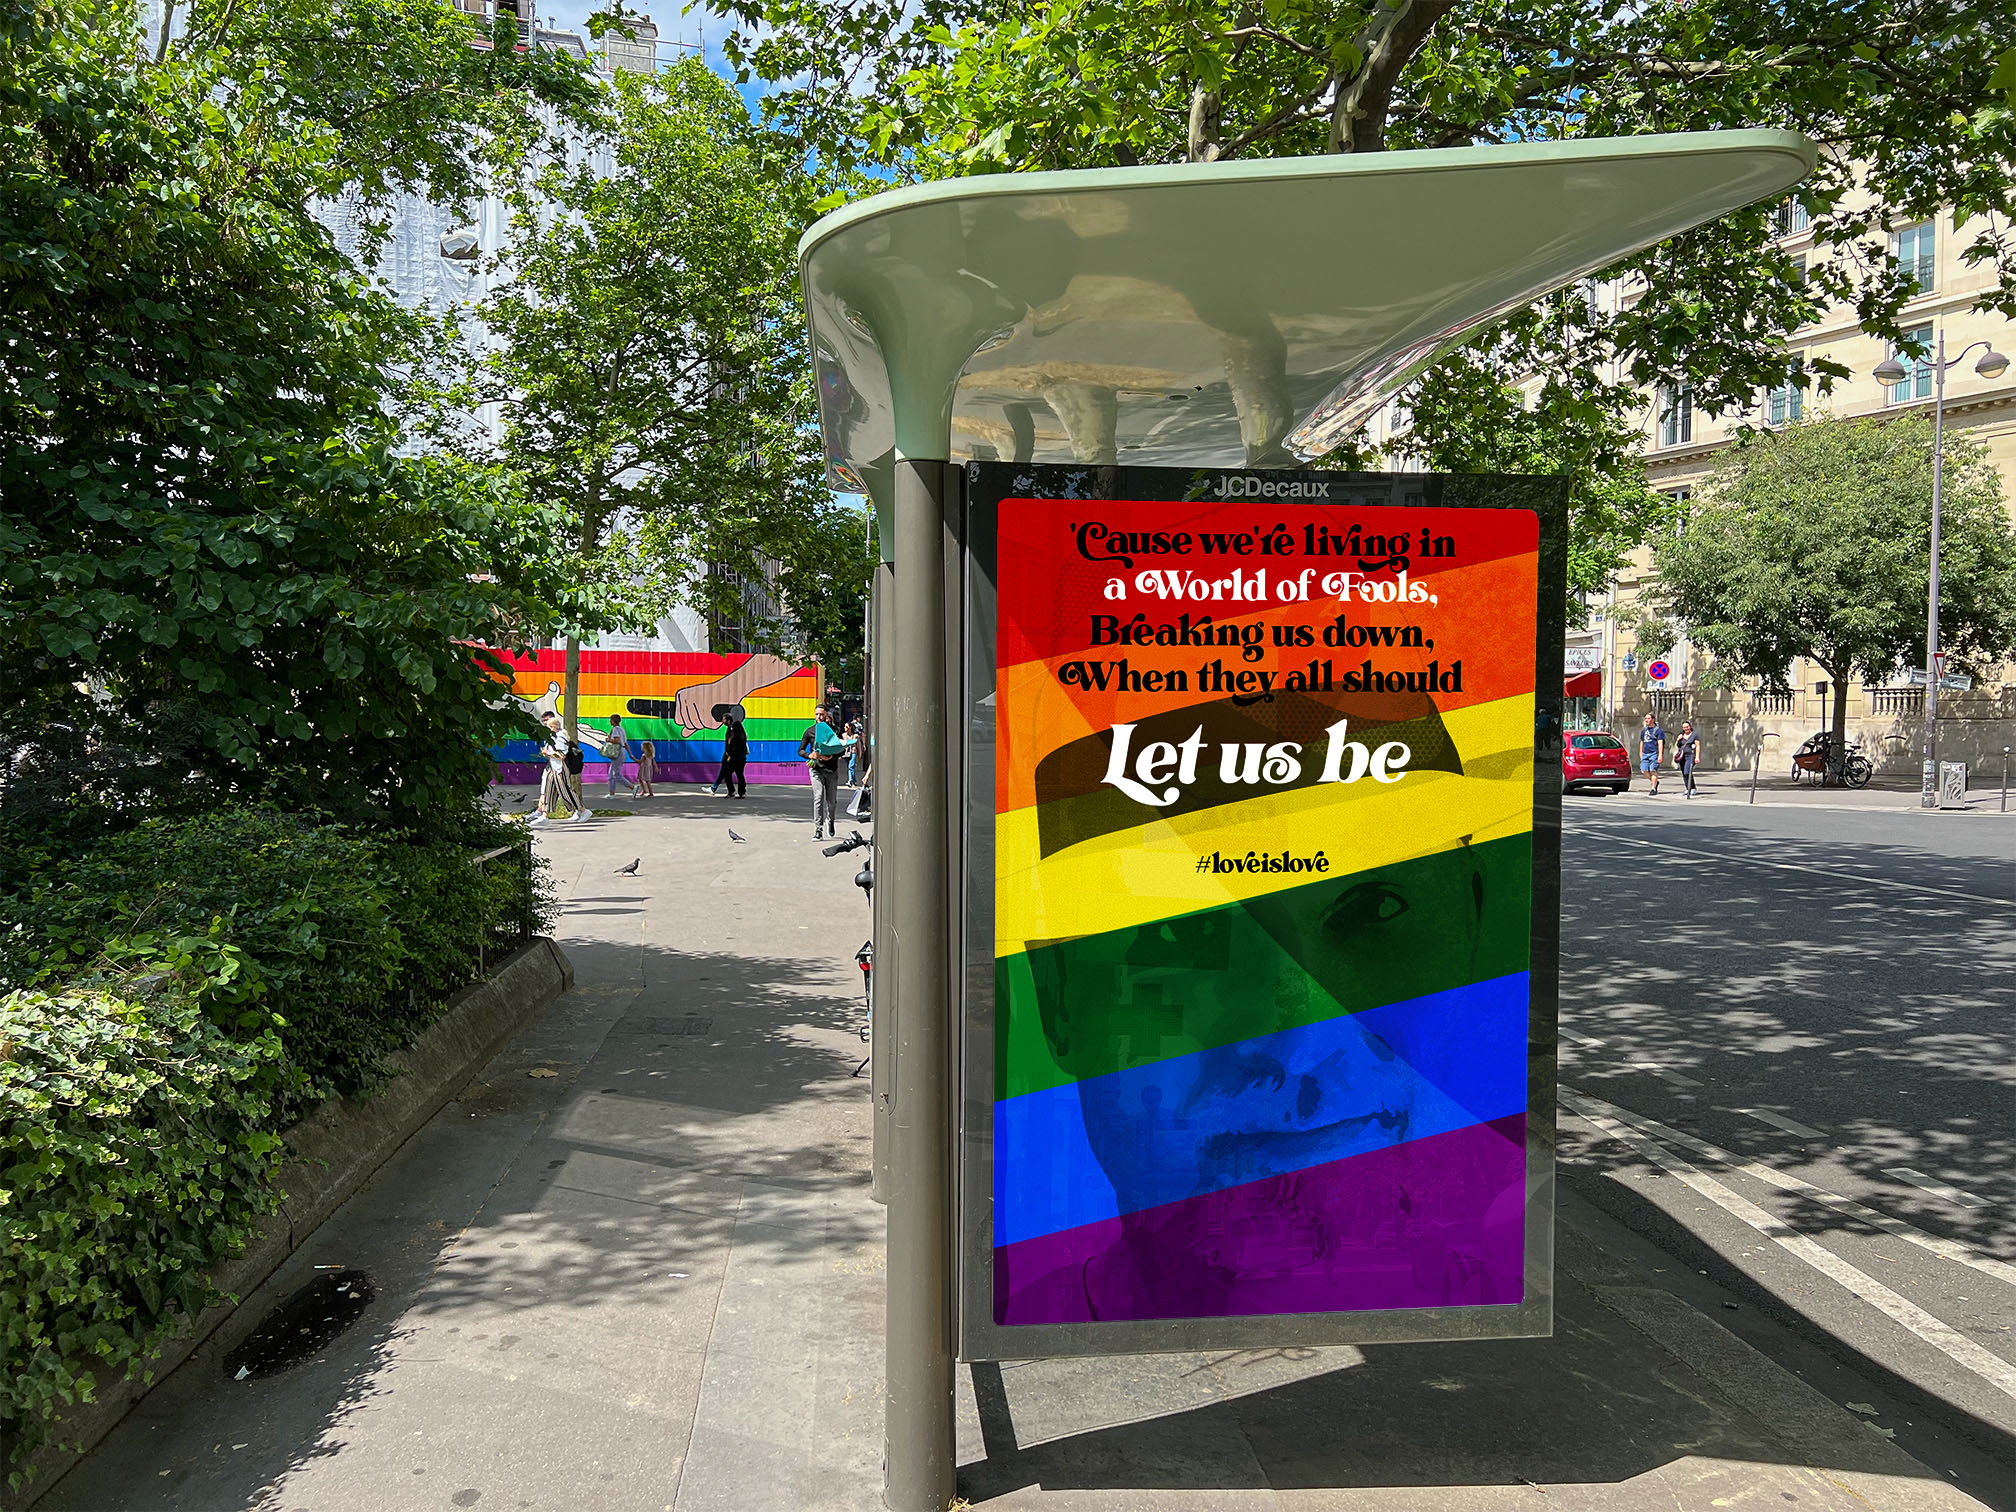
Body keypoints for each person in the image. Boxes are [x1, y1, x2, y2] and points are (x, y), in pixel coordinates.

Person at [805, 704, 855, 839]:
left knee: (831, 802)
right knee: (818, 797)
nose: (819, 717)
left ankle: (830, 820)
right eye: (816, 714)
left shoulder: (834, 731)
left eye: (821, 714)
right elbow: (801, 750)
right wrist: (810, 756)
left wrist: (832, 756)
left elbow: (842, 749)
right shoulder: (810, 731)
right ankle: (818, 829)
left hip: (831, 770)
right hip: (816, 770)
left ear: (827, 715)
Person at [530, 713, 574, 826]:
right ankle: (544, 815)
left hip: (559, 768)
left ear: (554, 726)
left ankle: (581, 810)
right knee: (548, 791)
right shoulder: (552, 737)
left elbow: (561, 755)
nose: (547, 728)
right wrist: (546, 753)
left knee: (566, 791)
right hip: (552, 767)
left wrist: (548, 753)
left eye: (549, 726)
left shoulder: (560, 737)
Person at [599, 713, 637, 798]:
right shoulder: (622, 729)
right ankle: (614, 792)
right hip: (622, 751)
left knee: (614, 774)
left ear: (613, 721)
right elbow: (625, 743)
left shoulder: (615, 729)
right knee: (614, 773)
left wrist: (609, 740)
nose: (609, 721)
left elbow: (617, 741)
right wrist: (630, 754)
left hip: (618, 751)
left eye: (610, 720)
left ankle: (631, 787)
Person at [716, 710, 749, 798]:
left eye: (723, 719)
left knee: (727, 773)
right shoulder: (740, 736)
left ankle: (732, 791)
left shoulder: (733, 729)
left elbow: (732, 744)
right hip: (741, 757)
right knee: (739, 774)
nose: (723, 721)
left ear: (728, 719)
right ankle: (741, 792)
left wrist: (729, 754)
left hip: (735, 757)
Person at [1639, 711, 1666, 796]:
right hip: (1645, 753)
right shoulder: (1644, 730)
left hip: (1654, 753)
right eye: (1646, 718)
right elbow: (1642, 742)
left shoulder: (1658, 731)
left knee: (1652, 770)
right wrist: (1641, 753)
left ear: (1653, 719)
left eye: (1648, 718)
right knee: (1644, 770)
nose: (1646, 720)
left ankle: (1653, 788)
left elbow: (1660, 743)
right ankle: (1655, 782)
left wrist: (1660, 755)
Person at [1674, 720, 1701, 798]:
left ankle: (1692, 788)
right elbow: (1677, 745)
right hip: (1682, 756)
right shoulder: (1681, 735)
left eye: (1687, 727)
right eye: (1684, 727)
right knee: (1683, 772)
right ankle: (1688, 788)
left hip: (1691, 756)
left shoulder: (1694, 735)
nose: (1686, 728)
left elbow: (1698, 746)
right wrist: (1678, 739)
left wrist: (1697, 757)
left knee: (1687, 771)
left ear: (1690, 727)